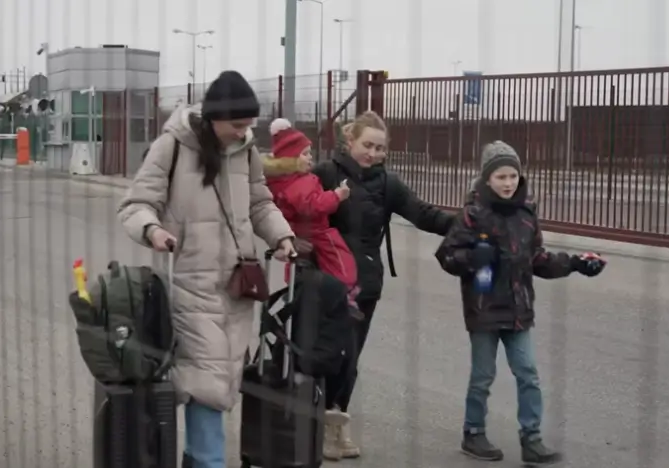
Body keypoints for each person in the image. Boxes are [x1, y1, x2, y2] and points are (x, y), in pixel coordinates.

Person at [117, 70, 296, 468]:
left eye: (249, 124)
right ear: (214, 118)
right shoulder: (173, 147)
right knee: (207, 381)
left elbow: (260, 203)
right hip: (191, 285)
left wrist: (281, 237)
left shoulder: (246, 151)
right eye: (237, 124)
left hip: (238, 289)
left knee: (219, 378)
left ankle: (198, 459)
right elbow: (135, 204)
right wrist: (153, 230)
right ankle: (208, 461)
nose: (245, 131)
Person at [435, 141, 606, 465]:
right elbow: (446, 256)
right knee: (483, 375)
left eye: (513, 175)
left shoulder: (526, 213)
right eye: (501, 176)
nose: (508, 182)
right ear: (487, 179)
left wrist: (576, 263)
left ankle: (532, 438)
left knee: (528, 372)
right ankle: (473, 433)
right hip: (483, 308)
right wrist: (473, 257)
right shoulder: (472, 215)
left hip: (519, 308)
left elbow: (538, 259)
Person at [312, 110, 456, 460]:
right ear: (350, 142)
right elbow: (299, 207)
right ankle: (315, 426)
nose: (373, 154)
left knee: (350, 358)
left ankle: (334, 424)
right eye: (367, 145)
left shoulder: (388, 183)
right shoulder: (326, 173)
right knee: (327, 355)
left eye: (380, 148)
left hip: (365, 285)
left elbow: (424, 214)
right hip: (325, 282)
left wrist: (468, 223)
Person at [262, 118, 361, 314]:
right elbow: (314, 205)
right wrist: (336, 195)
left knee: (298, 262)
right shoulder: (301, 183)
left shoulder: (280, 182)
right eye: (305, 154)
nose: (310, 158)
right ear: (291, 159)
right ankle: (347, 290)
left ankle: (293, 286)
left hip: (297, 232)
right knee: (341, 257)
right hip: (318, 231)